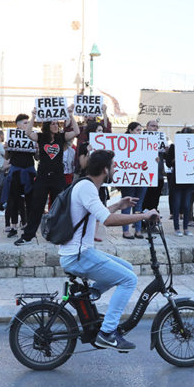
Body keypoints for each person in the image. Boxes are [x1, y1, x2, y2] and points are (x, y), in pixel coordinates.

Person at [59, 149, 160, 351]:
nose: (115, 169)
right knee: (129, 279)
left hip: (78, 252)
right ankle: (107, 333)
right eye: (113, 166)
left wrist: (118, 204)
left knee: (127, 268)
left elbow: (99, 214)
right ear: (105, 169)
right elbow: (108, 220)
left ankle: (87, 295)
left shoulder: (85, 185)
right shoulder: (87, 188)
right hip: (78, 255)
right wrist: (143, 216)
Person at [14, 107, 80, 245]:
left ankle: (57, 234)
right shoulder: (41, 137)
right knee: (37, 207)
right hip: (43, 177)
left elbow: (77, 131)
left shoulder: (61, 137)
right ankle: (28, 236)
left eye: (57, 123)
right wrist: (33, 116)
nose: (56, 125)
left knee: (58, 208)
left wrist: (70, 115)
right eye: (53, 123)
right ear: (47, 125)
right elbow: (27, 132)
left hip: (58, 177)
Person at [5, 114, 36, 239]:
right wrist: (6, 148)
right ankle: (13, 226)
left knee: (29, 200)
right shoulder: (12, 137)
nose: (27, 124)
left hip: (28, 172)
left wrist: (37, 149)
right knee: (13, 200)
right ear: (17, 125)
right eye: (25, 122)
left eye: (28, 122)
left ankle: (28, 226)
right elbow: (7, 157)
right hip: (16, 172)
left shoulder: (32, 136)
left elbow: (37, 157)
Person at [117, 122, 148, 240]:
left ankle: (138, 230)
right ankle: (126, 231)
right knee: (127, 204)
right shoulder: (123, 143)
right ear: (130, 131)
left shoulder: (145, 144)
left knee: (138, 205)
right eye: (137, 130)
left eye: (140, 130)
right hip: (128, 179)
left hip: (142, 179)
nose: (139, 132)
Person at [165, 127, 194, 236]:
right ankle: (177, 228)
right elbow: (168, 163)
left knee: (187, 205)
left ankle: (186, 228)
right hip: (177, 179)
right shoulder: (174, 146)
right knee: (177, 204)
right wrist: (177, 159)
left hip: (188, 180)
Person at [141, 118, 167, 213]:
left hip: (158, 175)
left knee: (155, 200)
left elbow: (166, 157)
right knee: (145, 200)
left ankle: (152, 220)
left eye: (156, 126)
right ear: (147, 127)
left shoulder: (161, 140)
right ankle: (142, 221)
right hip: (146, 176)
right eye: (152, 126)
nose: (155, 128)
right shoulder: (141, 139)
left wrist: (167, 150)